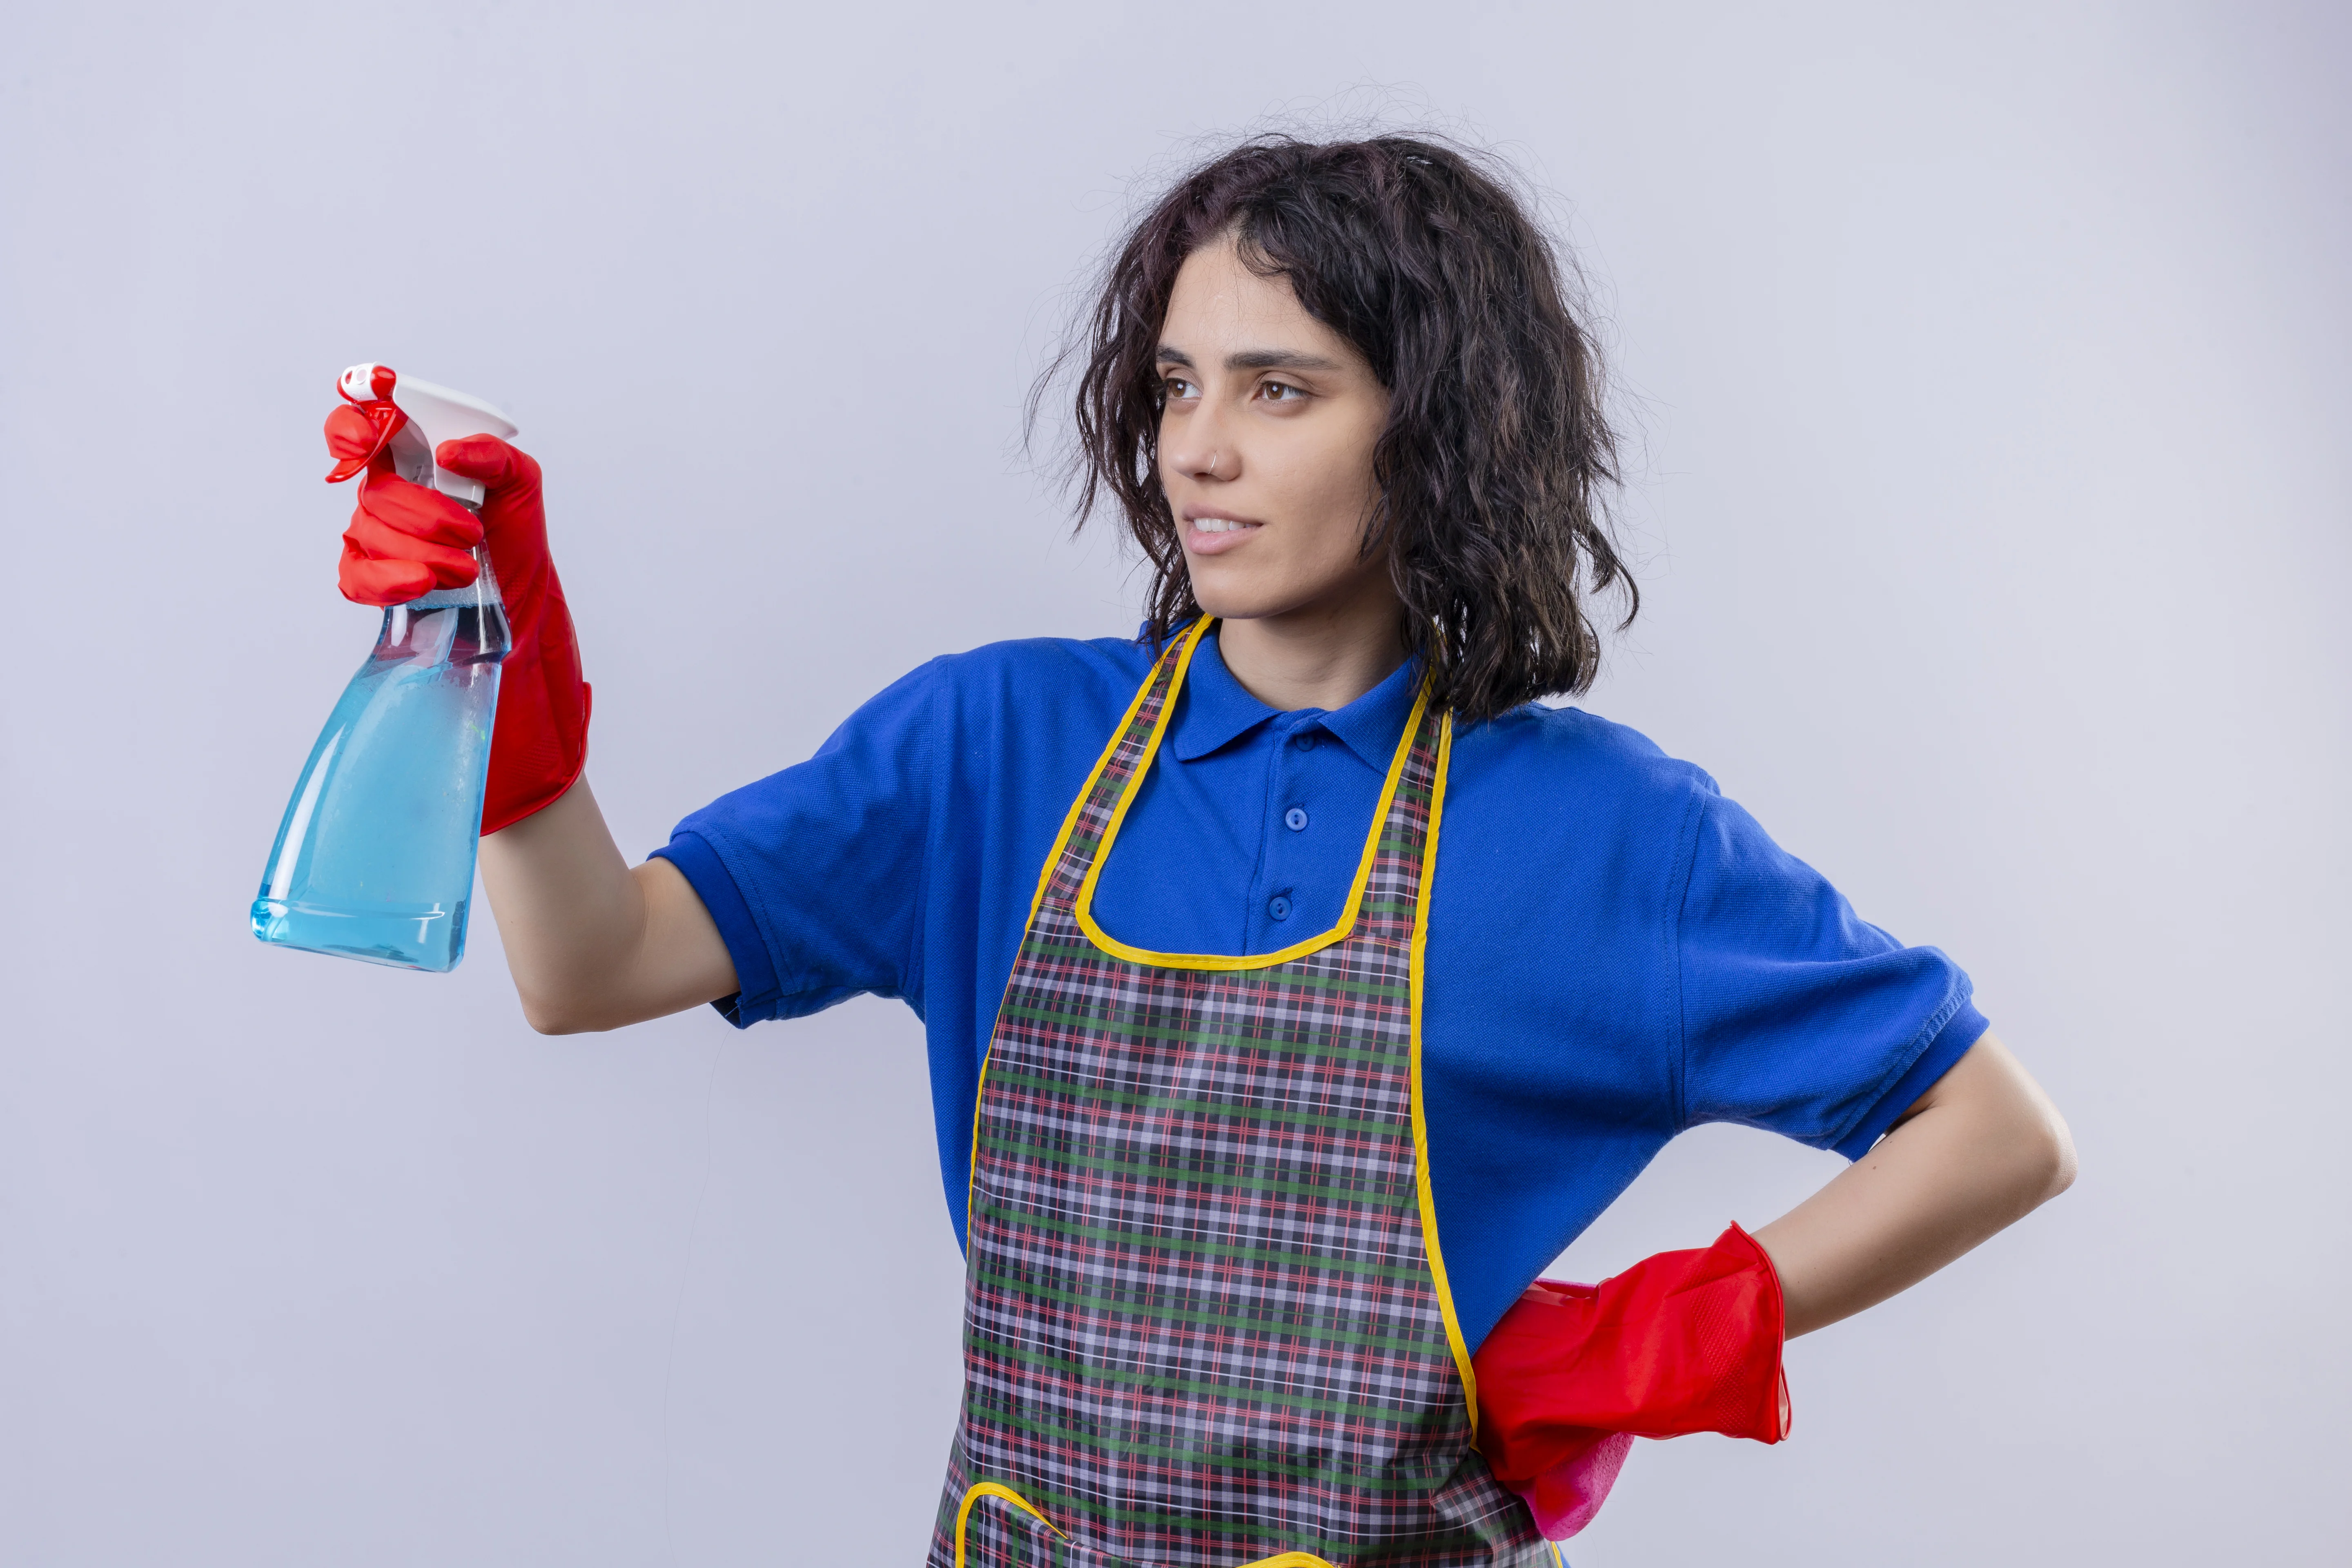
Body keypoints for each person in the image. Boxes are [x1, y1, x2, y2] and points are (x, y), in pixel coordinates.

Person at [324, 136, 2076, 1567]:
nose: (1198, 451)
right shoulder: (995, 751)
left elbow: (1993, 1131)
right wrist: (507, 659)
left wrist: (1643, 1342)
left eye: (1281, 388)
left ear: (1444, 427)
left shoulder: (1598, 836)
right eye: (1176, 384)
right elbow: (588, 966)